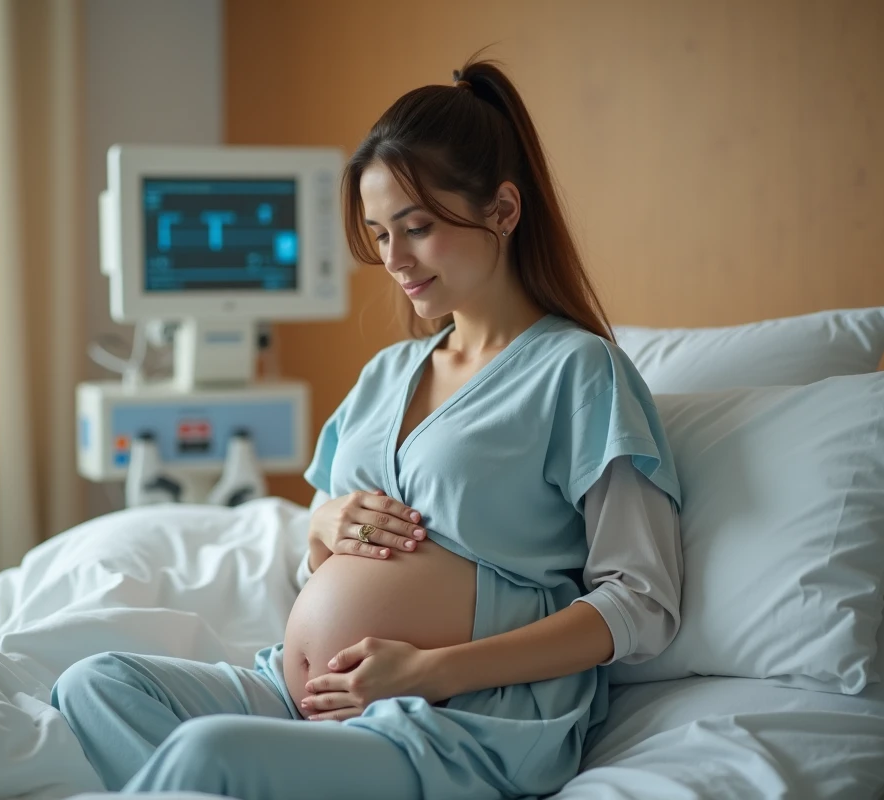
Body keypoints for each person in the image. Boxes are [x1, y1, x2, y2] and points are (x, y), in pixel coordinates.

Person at [50, 55, 683, 800]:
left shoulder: (578, 373)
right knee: (95, 685)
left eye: (416, 228)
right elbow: (320, 565)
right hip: (308, 700)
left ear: (503, 211)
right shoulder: (387, 375)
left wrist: (429, 670)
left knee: (206, 758)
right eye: (380, 234)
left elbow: (640, 602)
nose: (394, 260)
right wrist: (324, 523)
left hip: (457, 720)